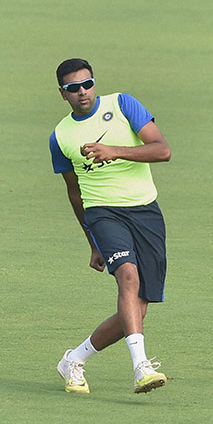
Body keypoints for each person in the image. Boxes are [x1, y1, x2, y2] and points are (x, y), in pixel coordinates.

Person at [50, 58, 172, 394]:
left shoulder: (122, 104)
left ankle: (74, 359)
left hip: (145, 212)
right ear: (63, 94)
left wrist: (114, 151)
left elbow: (162, 150)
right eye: (73, 88)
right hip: (102, 214)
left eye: (87, 84)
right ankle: (141, 368)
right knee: (128, 278)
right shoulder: (60, 136)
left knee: (138, 309)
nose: (82, 92)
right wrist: (92, 242)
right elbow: (74, 193)